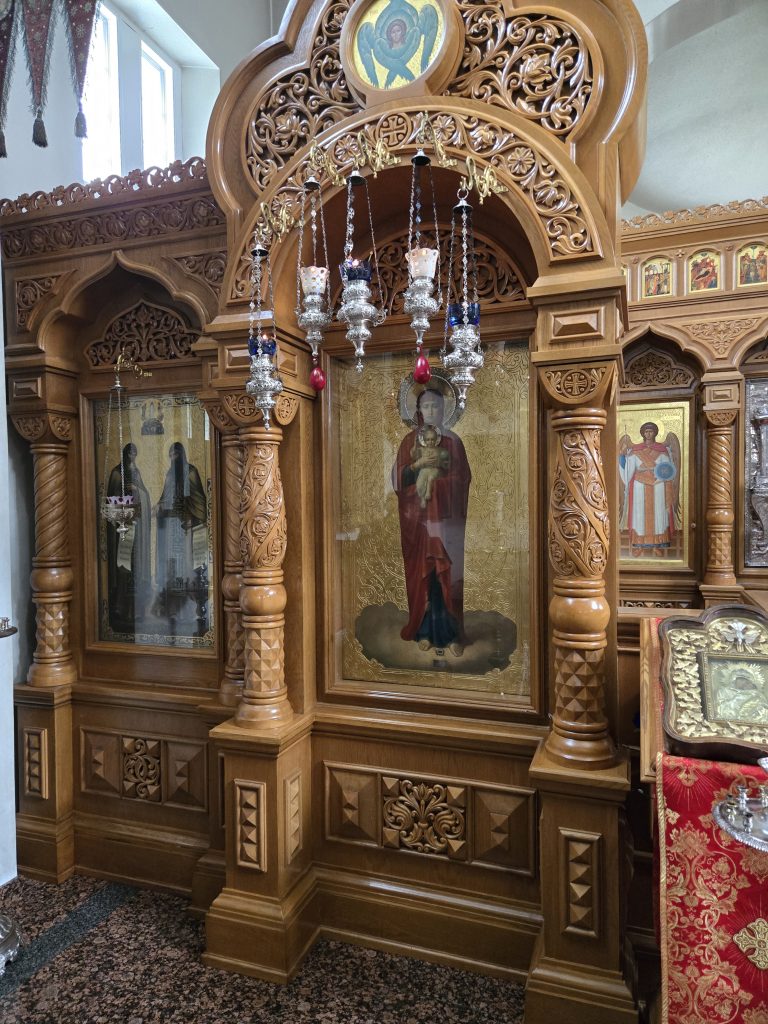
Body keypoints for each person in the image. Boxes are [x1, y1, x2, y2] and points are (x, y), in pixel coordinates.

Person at [393, 387, 471, 656]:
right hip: (417, 523)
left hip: (445, 523)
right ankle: (423, 631)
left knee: (445, 574)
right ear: (418, 411)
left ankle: (453, 635)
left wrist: (437, 486)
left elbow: (462, 480)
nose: (431, 411)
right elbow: (398, 481)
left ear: (444, 409)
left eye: (436, 406)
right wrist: (416, 468)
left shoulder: (453, 443)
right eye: (426, 406)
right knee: (423, 575)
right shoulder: (408, 442)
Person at [154, 442, 207, 621]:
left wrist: (190, 514)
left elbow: (199, 501)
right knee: (172, 567)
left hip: (187, 527)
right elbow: (165, 497)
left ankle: (190, 611)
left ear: (181, 455)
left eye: (174, 455)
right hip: (171, 527)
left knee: (187, 566)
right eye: (170, 455)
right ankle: (172, 609)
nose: (172, 458)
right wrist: (159, 505)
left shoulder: (190, 472)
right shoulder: (170, 474)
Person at [106, 442, 151, 631]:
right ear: (125, 455)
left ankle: (137, 611)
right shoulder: (117, 473)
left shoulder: (136, 472)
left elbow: (145, 496)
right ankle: (121, 609)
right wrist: (124, 491)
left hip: (136, 528)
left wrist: (137, 490)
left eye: (135, 454)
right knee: (124, 569)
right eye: (130, 454)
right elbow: (111, 502)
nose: (133, 457)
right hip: (122, 531)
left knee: (136, 569)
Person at [619, 422, 679, 557]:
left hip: (658, 486)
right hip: (639, 486)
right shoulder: (636, 451)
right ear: (643, 433)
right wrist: (622, 457)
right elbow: (628, 470)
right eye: (646, 431)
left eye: (651, 431)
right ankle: (639, 545)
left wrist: (661, 475)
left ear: (655, 433)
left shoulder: (662, 450)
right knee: (639, 517)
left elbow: (667, 469)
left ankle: (657, 545)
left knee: (658, 514)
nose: (648, 434)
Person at [411, 423, 450, 508]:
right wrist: (415, 445)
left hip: (435, 470)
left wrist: (443, 460)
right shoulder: (422, 450)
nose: (430, 442)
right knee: (420, 483)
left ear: (436, 440)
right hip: (424, 470)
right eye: (428, 439)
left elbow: (445, 458)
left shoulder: (439, 450)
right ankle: (422, 499)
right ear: (424, 441)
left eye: (432, 439)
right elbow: (414, 455)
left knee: (431, 478)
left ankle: (428, 492)